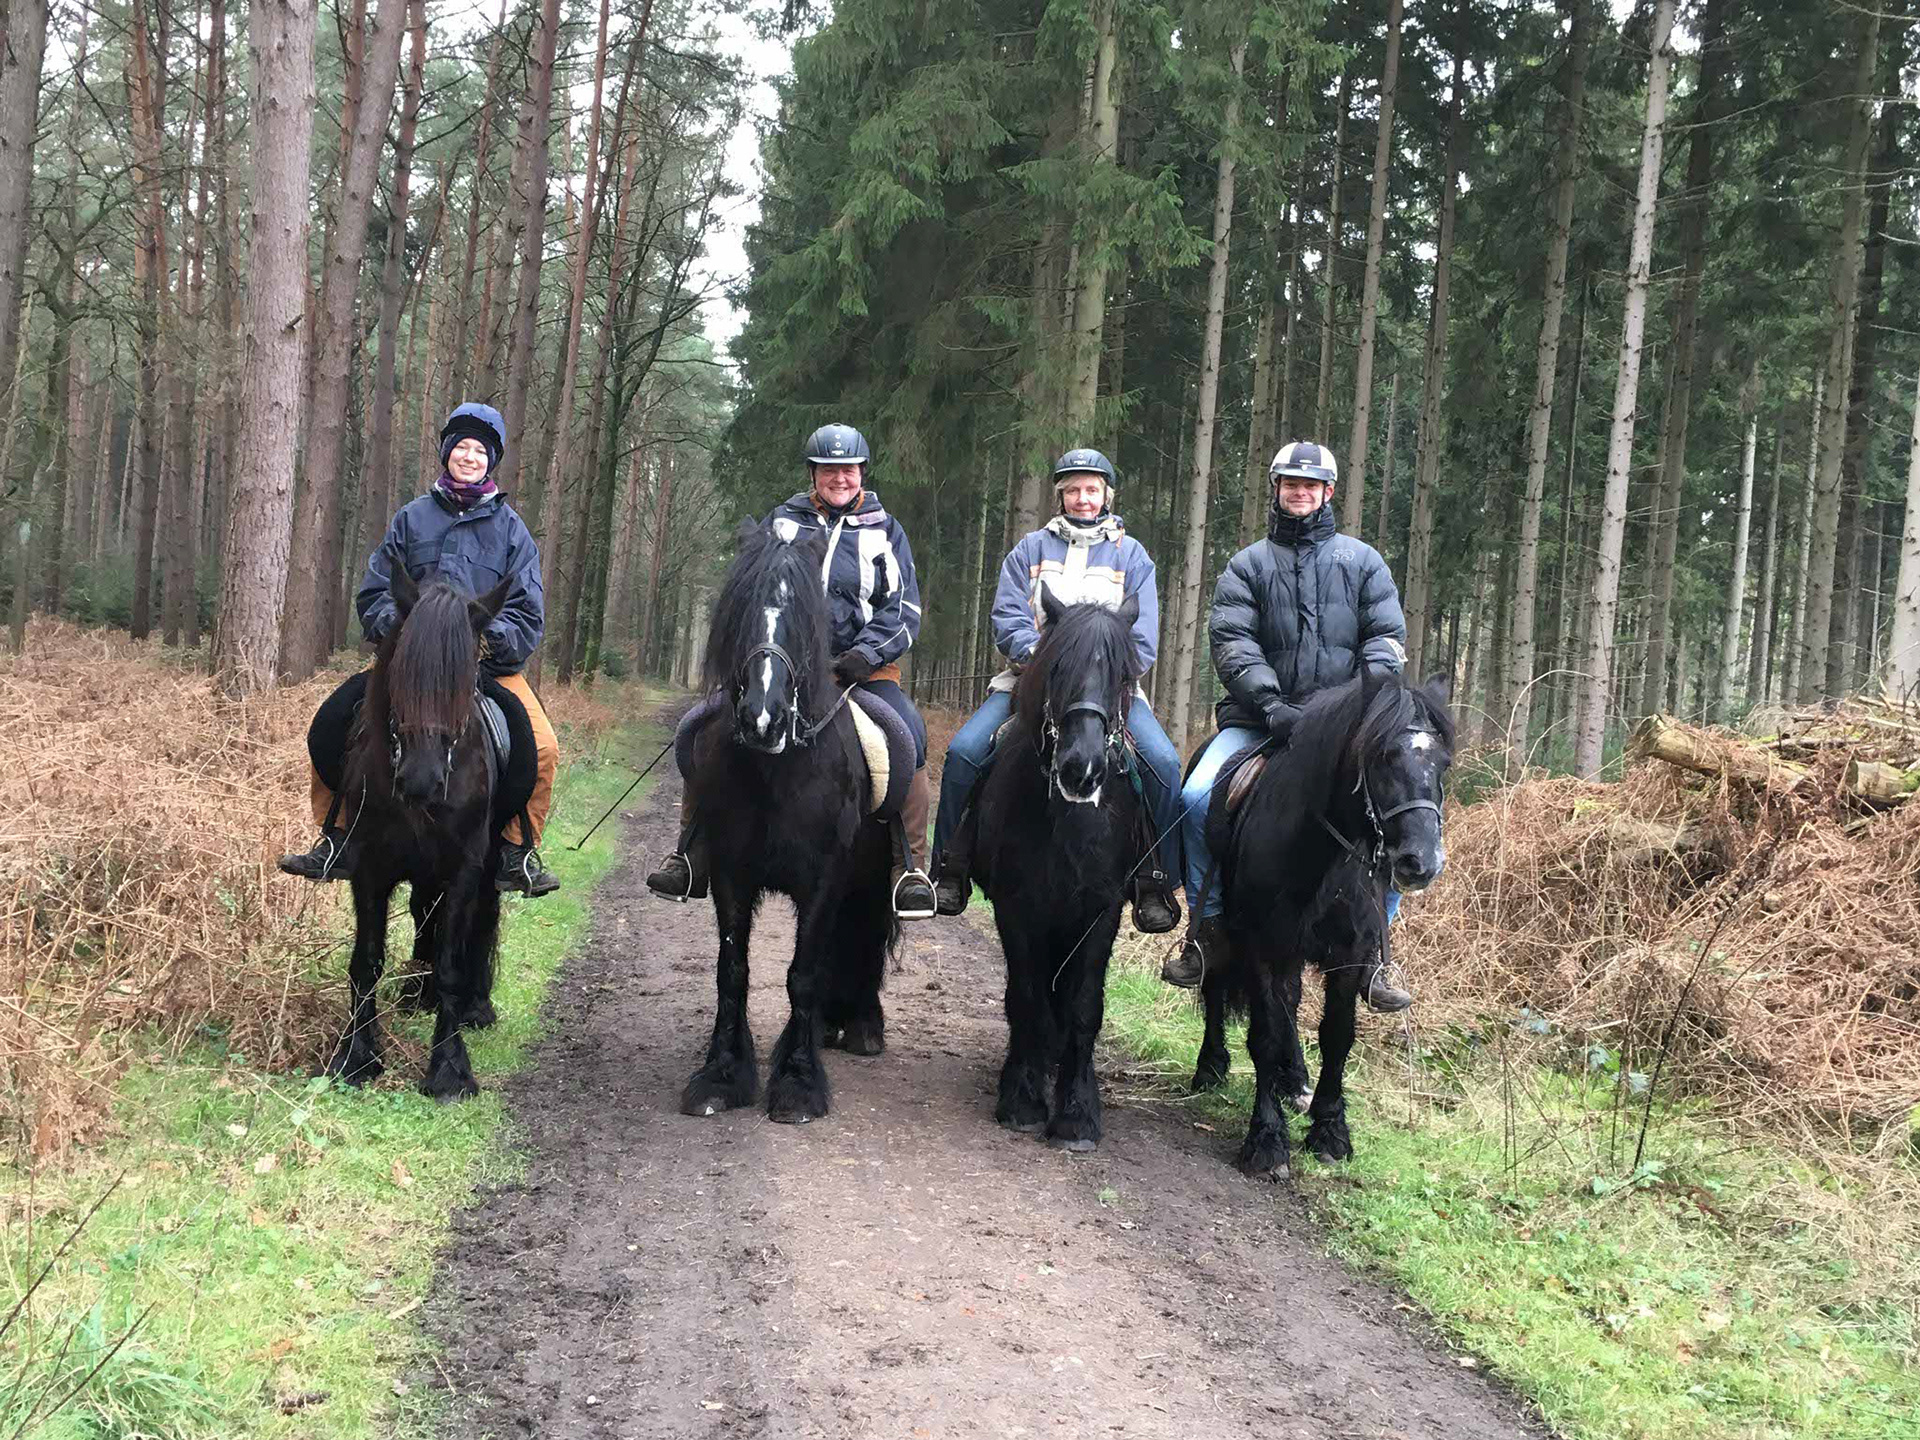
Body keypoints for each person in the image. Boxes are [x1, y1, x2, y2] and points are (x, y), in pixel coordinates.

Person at [645, 423, 937, 919]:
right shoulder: (781, 522)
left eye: (847, 470)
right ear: (814, 474)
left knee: (907, 736)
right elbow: (748, 593)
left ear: (861, 473)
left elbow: (905, 608)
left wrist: (865, 655)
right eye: (828, 470)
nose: (838, 478)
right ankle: (689, 852)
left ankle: (909, 866)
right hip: (781, 667)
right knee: (702, 728)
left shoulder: (886, 530)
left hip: (860, 672)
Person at [1163, 439, 1412, 1009]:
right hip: (1262, 721)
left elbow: (1386, 640)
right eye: (1290, 484)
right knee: (1198, 798)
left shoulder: (1364, 561)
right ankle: (1208, 926)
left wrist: (1349, 708)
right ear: (1276, 490)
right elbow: (1231, 642)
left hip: (1346, 731)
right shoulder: (1247, 564)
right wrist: (1273, 705)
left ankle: (1375, 952)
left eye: (1311, 485)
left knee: (1399, 813)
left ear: (1327, 493)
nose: (1300, 493)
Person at [278, 402, 561, 898]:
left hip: (483, 667)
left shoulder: (513, 531)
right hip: (407, 667)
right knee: (330, 724)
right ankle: (336, 837)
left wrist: (486, 641)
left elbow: (527, 610)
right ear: (447, 454)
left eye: (479, 450)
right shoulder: (411, 519)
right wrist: (400, 633)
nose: (469, 457)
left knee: (542, 748)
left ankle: (518, 850)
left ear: (490, 460)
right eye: (461, 448)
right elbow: (375, 592)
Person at [930, 448, 1182, 933]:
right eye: (1073, 490)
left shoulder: (1134, 556)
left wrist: (1105, 674)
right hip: (1029, 684)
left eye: (1091, 490)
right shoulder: (1028, 551)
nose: (1082, 499)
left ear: (1107, 494)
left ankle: (1155, 880)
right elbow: (1008, 618)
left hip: (1108, 692)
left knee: (1163, 764)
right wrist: (1044, 665)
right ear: (1060, 495)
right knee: (964, 752)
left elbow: (1143, 637)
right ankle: (951, 867)